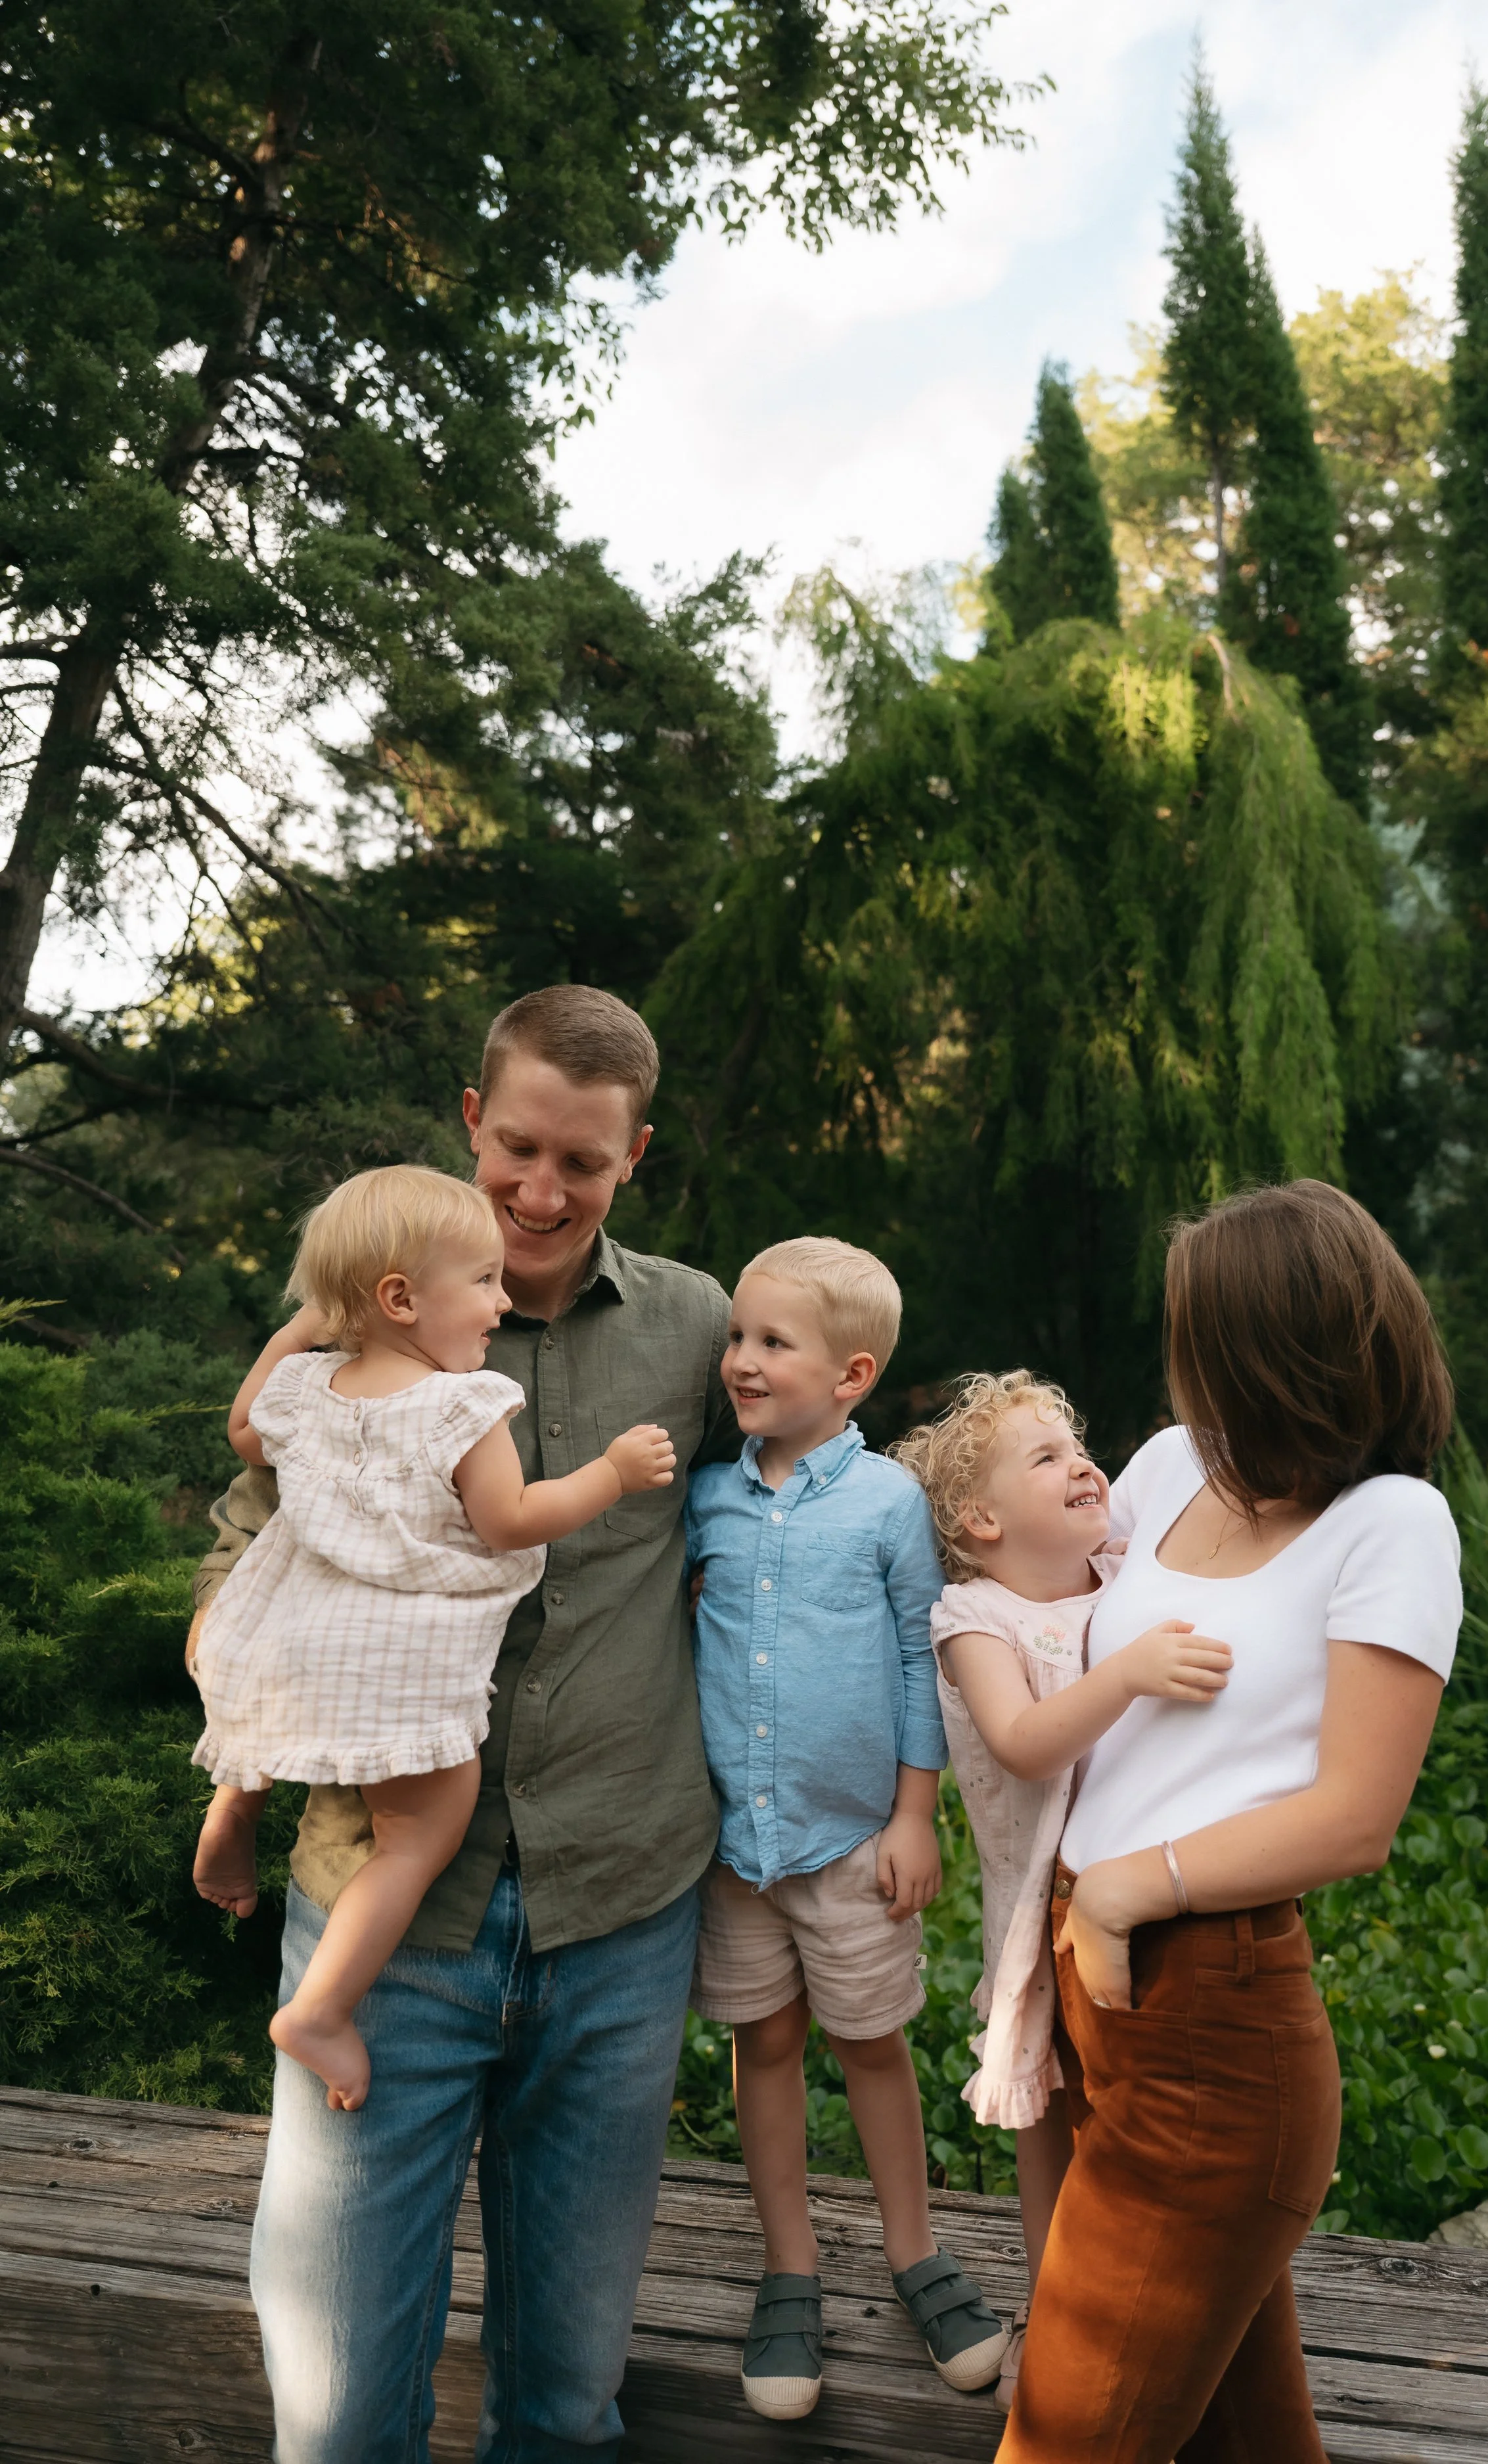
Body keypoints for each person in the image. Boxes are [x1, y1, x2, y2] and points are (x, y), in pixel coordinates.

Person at [190, 985, 738, 2464]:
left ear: (636, 1158)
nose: (544, 1194)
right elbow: (245, 1542)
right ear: (472, 1119)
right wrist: (241, 1716)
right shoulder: (346, 1331)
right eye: (521, 1153)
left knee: (565, 2408)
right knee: (338, 2411)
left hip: (619, 1911)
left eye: (588, 1163)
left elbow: (812, 1506)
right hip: (387, 1923)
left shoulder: (698, 1327)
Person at [999, 1179, 1462, 2464]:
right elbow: (1041, 1624)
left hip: (1215, 2024)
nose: (1175, 1358)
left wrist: (1119, 1890)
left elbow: (1351, 1818)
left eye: (1195, 1331)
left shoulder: (1389, 1525)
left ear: (1273, 1350)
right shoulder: (1162, 1465)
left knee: (1057, 2438)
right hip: (1097, 2005)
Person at [191, 1165, 676, 2112]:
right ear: (403, 1298)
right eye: (485, 1282)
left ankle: (235, 1807)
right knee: (418, 1833)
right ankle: (323, 2008)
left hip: (289, 1645)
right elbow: (510, 1518)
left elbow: (245, 1430)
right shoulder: (461, 1403)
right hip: (391, 1665)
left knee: (272, 1706)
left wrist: (304, 1324)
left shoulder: (307, 1384)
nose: (502, 1301)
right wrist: (613, 1473)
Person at [685, 1236, 1010, 2422]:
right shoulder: (709, 1494)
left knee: (871, 2043)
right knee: (762, 2045)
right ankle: (790, 2265)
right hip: (736, 1852)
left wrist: (917, 1814)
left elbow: (927, 1662)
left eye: (774, 1342)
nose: (741, 1361)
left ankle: (917, 2251)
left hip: (850, 1845)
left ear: (852, 1374)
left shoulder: (885, 1506)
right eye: (738, 1337)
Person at [891, 1371, 1232, 2410]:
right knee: (1053, 2121)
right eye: (1046, 1457)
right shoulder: (974, 1615)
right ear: (979, 1520)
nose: (1083, 1465)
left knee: (1138, 2122)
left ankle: (1161, 2313)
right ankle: (1057, 2310)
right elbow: (1024, 1742)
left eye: (1078, 1444)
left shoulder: (1125, 1573)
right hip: (1038, 1911)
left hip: (1151, 1892)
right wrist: (1128, 1672)